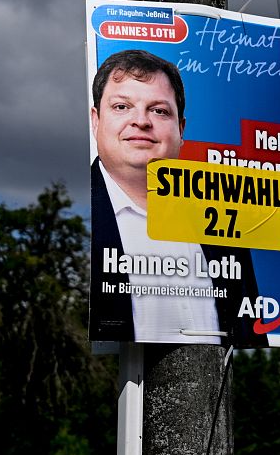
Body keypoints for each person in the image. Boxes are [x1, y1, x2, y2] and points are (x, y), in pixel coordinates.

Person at [89, 48, 260, 345]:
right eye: (121, 107)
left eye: (159, 110)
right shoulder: (75, 216)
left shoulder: (221, 222)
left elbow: (248, 332)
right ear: (95, 120)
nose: (141, 121)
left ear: (181, 129)